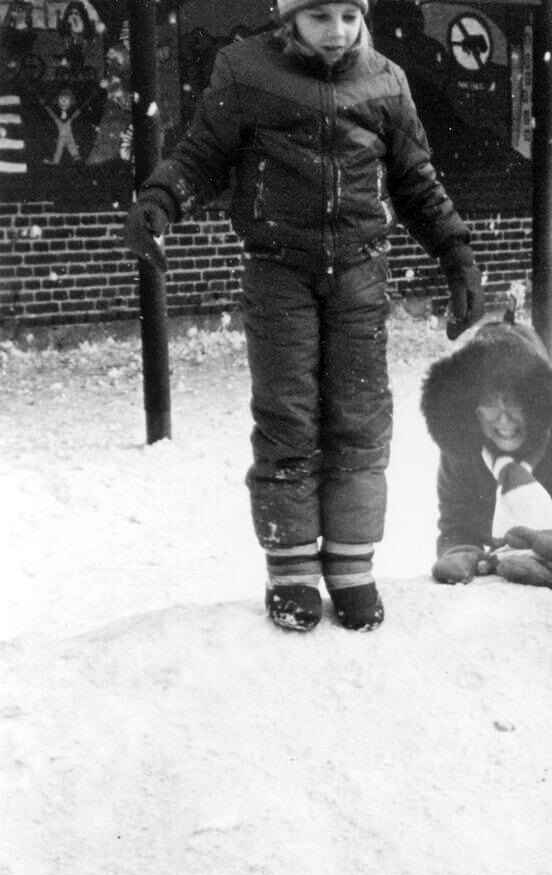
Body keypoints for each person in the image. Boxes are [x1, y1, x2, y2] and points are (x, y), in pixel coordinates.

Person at [121, 0, 483, 634]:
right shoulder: (245, 70)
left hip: (360, 274)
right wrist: (159, 200)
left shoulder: (386, 81)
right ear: (289, 18)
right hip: (278, 272)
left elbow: (415, 180)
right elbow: (203, 154)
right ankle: (290, 565)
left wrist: (456, 255)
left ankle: (351, 562)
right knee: (288, 415)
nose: (337, 32)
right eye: (319, 17)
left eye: (349, 15)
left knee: (360, 417)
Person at [420, 317, 552, 595]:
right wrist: (462, 550)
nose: (503, 420)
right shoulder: (462, 442)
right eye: (489, 404)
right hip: (504, 556)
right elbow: (456, 520)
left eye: (514, 402)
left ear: (536, 401)